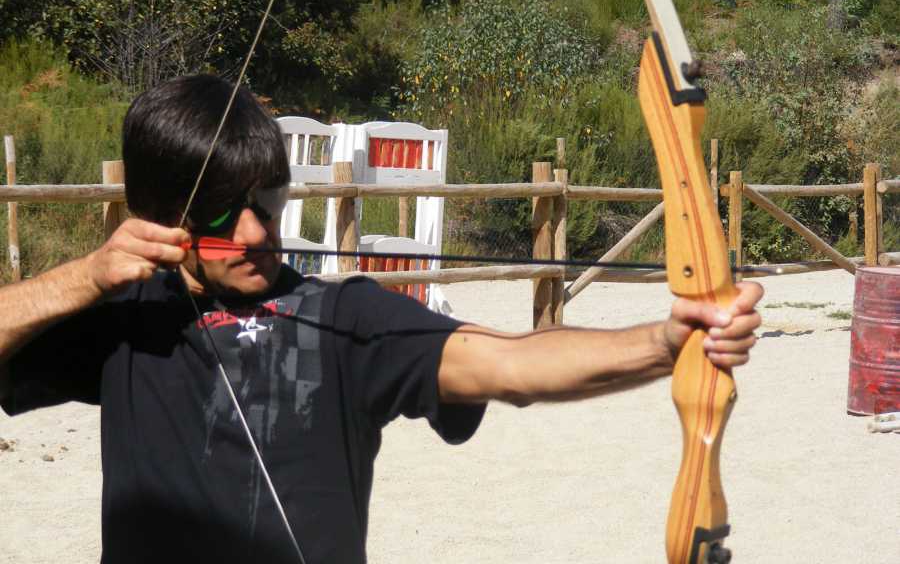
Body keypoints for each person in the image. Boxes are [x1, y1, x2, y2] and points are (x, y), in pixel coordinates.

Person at [0, 75, 763, 563]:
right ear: (161, 217)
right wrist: (85, 275)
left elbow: (510, 364)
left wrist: (668, 343)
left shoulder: (343, 314)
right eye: (224, 215)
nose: (258, 233)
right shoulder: (121, 320)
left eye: (268, 204)